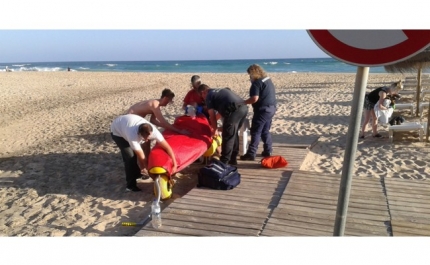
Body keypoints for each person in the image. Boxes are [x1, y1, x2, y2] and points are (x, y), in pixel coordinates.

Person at [110, 114, 178, 192]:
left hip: (127, 123)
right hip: (117, 132)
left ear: (151, 133)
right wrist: (151, 174)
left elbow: (167, 148)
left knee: (136, 155)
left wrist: (175, 164)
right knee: (130, 158)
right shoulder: (132, 135)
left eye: (148, 138)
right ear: (139, 133)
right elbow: (142, 157)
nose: (146, 140)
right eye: (144, 138)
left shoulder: (154, 132)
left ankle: (138, 174)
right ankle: (130, 186)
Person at [198, 84, 248, 165]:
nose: (203, 99)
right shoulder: (219, 91)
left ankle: (224, 161)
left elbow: (212, 115)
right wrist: (214, 126)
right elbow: (220, 113)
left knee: (227, 135)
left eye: (202, 96)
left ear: (203, 92)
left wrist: (214, 130)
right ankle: (233, 158)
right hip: (244, 108)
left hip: (234, 111)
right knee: (233, 133)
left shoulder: (209, 96)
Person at [240, 64, 277, 161]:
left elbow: (254, 98)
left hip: (262, 110)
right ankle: (268, 150)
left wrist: (244, 102)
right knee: (265, 130)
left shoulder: (257, 83)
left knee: (255, 131)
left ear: (253, 74)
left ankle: (251, 153)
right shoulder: (267, 80)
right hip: (271, 108)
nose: (249, 77)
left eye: (250, 75)